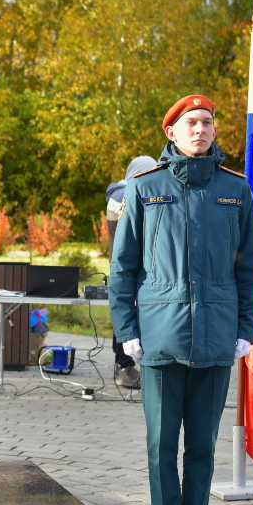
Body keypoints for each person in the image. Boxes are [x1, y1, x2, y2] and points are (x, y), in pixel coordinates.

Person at [109, 94, 253, 505]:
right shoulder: (145, 187)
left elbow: (249, 267)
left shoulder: (236, 189)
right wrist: (127, 332)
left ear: (215, 130)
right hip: (160, 338)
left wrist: (246, 330)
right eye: (191, 123)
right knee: (161, 448)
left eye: (207, 123)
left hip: (216, 339)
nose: (200, 130)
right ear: (171, 132)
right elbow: (123, 268)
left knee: (202, 448)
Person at [106, 155, 157, 389]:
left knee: (134, 314)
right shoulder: (120, 195)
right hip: (127, 268)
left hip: (137, 267)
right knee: (126, 314)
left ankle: (130, 365)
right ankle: (124, 366)